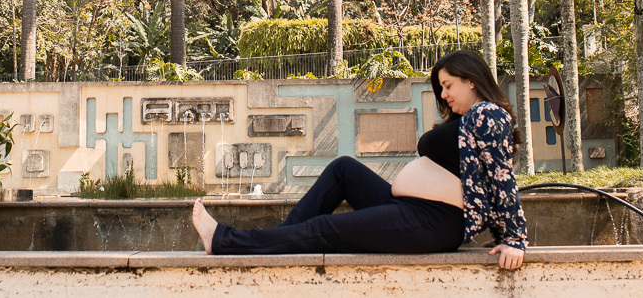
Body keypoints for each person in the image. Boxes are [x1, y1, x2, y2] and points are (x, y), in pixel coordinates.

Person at [191, 50, 528, 269]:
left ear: (471, 79)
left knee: (324, 229)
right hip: (415, 210)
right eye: (441, 87)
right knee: (343, 170)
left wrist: (513, 239)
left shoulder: (487, 115)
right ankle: (282, 241)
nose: (444, 94)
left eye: (449, 85)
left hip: (433, 222)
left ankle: (223, 240)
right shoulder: (470, 119)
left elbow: (501, 177)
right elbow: (481, 176)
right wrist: (500, 234)